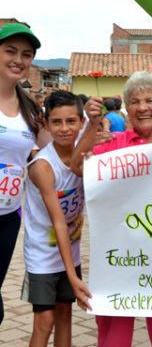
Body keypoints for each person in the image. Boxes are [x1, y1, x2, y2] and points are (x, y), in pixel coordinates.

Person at [71, 70, 152, 347]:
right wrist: (91, 125)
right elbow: (77, 167)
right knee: (114, 335)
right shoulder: (113, 145)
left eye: (150, 100)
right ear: (127, 110)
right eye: (134, 102)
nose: (143, 107)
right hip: (118, 257)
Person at [21, 90, 92, 347]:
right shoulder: (42, 166)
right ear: (46, 125)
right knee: (45, 321)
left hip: (69, 254)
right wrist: (73, 278)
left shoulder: (86, 158)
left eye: (71, 121)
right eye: (56, 122)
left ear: (81, 123)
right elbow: (59, 221)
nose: (64, 128)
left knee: (65, 317)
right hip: (42, 256)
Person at [0, 22, 52, 326]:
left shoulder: (30, 109)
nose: (18, 59)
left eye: (26, 54)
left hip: (7, 218)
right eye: (10, 51)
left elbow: (57, 154)